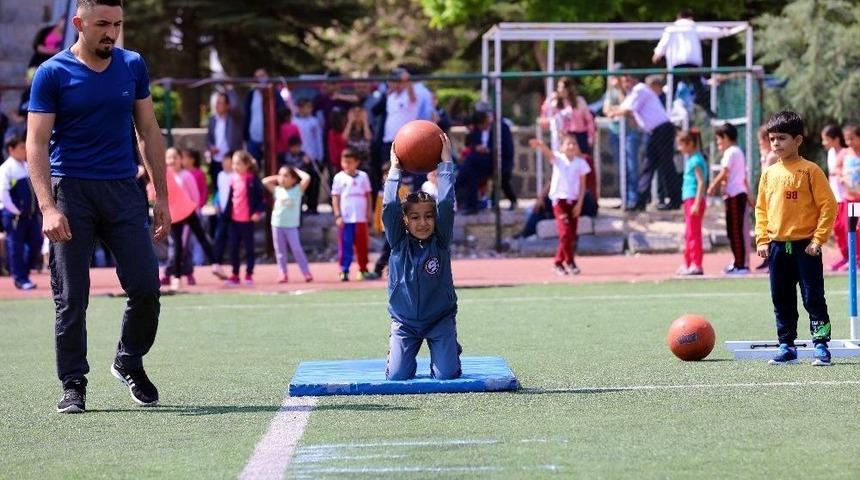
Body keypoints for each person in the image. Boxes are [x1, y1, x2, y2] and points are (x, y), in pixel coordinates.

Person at [27, 0, 171, 414]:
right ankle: (73, 382)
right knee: (72, 296)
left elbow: (148, 130)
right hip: (71, 192)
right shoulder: (52, 72)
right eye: (103, 24)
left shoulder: (133, 65)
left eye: (117, 24)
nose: (111, 32)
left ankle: (129, 360)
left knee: (146, 287)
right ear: (79, 23)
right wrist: (48, 207)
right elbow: (36, 143)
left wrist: (161, 195)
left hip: (124, 191)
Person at [755, 111, 837, 366]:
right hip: (777, 248)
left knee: (813, 297)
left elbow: (828, 206)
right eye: (772, 139)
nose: (776, 143)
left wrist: (818, 240)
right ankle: (787, 346)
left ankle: (821, 345)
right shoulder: (769, 174)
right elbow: (761, 209)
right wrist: (762, 239)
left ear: (798, 140)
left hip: (806, 248)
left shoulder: (810, 171)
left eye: (782, 138)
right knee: (781, 298)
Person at [383, 134, 461, 380]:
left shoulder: (440, 240)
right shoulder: (398, 242)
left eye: (428, 216)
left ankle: (449, 347)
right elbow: (389, 207)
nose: (423, 223)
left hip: (439, 319)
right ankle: (397, 351)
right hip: (405, 322)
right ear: (405, 221)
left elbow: (446, 203)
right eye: (415, 218)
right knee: (397, 376)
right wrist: (395, 170)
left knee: (446, 375)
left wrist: (446, 164)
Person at [608, 74, 680, 211]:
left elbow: (626, 110)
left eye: (628, 81)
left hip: (662, 130)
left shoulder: (640, 89)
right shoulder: (632, 94)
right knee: (648, 166)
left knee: (667, 166)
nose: (626, 84)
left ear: (635, 80)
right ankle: (640, 202)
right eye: (624, 82)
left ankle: (675, 200)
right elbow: (624, 107)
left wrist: (614, 112)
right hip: (654, 132)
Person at [529, 136, 591, 276]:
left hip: (573, 201)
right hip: (560, 201)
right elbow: (549, 154)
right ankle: (564, 262)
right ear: (562, 147)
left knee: (571, 235)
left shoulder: (581, 163)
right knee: (565, 233)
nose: (571, 146)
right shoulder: (559, 159)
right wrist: (541, 145)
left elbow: (582, 185)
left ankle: (564, 262)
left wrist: (580, 203)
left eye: (574, 143)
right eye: (568, 144)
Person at [159, 148, 217, 290]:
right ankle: (174, 274)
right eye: (169, 157)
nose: (172, 160)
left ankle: (202, 268)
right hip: (174, 217)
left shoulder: (186, 176)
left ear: (181, 159)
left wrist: (194, 213)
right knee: (177, 246)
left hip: (189, 215)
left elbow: (195, 197)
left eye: (175, 157)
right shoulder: (166, 176)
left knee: (190, 244)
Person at [707, 123, 752, 274]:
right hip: (735, 195)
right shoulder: (737, 152)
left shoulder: (730, 152)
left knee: (735, 231)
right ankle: (737, 262)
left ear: (725, 137)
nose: (718, 143)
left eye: (719, 139)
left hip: (735, 195)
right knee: (733, 231)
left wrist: (713, 185)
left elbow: (725, 171)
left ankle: (740, 265)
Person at [652, 8, 713, 114]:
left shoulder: (671, 28)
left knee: (672, 89)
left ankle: (664, 110)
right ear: (691, 17)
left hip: (677, 63)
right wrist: (725, 31)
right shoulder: (693, 26)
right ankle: (709, 111)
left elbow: (664, 42)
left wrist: (657, 53)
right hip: (692, 62)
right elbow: (710, 31)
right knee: (698, 87)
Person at [0, 133, 42, 290]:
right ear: (11, 149)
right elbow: (3, 194)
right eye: (22, 147)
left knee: (37, 243)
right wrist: (16, 211)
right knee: (16, 247)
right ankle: (20, 278)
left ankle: (24, 273)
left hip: (31, 215)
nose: (25, 150)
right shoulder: (6, 169)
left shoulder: (26, 165)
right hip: (14, 216)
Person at [331, 148, 377, 281]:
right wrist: (337, 215)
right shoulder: (339, 177)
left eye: (349, 162)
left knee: (362, 245)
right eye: (344, 162)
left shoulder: (363, 176)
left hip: (360, 217)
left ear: (357, 162)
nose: (346, 165)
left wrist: (369, 211)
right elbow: (335, 197)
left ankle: (363, 269)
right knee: (345, 244)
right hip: (346, 218)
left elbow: (368, 195)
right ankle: (344, 270)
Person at [262, 166, 313, 283]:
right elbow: (265, 181)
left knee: (296, 249)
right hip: (277, 224)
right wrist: (278, 177)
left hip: (291, 226)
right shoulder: (277, 190)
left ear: (293, 179)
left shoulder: (298, 190)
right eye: (281, 175)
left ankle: (306, 272)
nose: (282, 178)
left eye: (286, 176)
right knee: (280, 251)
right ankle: (283, 273)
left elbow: (307, 178)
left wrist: (296, 171)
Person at [603, 66, 643, 211]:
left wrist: (620, 90)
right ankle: (624, 199)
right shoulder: (610, 92)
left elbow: (627, 108)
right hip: (615, 132)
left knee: (632, 166)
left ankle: (633, 200)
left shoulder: (630, 91)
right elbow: (607, 110)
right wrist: (618, 111)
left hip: (630, 133)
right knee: (620, 167)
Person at [224, 150, 265, 286]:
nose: (235, 167)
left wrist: (257, 212)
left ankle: (249, 274)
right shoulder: (233, 179)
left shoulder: (252, 179)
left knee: (249, 249)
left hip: (247, 221)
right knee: (233, 248)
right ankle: (235, 274)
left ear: (247, 165)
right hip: (234, 221)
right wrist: (226, 216)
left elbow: (262, 199)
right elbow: (230, 199)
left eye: (238, 164)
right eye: (234, 164)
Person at [676, 129, 707, 276]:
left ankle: (696, 264)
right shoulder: (693, 159)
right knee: (688, 233)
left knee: (694, 233)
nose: (679, 148)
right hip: (689, 199)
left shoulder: (695, 160)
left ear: (690, 144)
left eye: (681, 145)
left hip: (694, 199)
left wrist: (696, 203)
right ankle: (687, 263)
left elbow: (701, 182)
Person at [243, 68, 287, 164]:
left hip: (271, 139)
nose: (260, 80)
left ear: (267, 77)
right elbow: (245, 115)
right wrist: (245, 136)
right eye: (257, 77)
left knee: (272, 165)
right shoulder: (250, 95)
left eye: (262, 76)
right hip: (253, 139)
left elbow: (283, 112)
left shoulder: (274, 94)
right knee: (253, 166)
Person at [822, 124, 848, 271]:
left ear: (836, 139)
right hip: (835, 197)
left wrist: (842, 175)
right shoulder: (831, 153)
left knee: (847, 227)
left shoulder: (846, 152)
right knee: (837, 228)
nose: (823, 143)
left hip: (846, 197)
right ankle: (845, 257)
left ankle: (854, 258)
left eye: (826, 139)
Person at [754, 126, 780, 271]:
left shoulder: (771, 156)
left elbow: (765, 174)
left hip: (774, 196)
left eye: (760, 142)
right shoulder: (768, 155)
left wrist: (764, 156)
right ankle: (768, 258)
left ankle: (772, 259)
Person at [293, 99, 324, 213]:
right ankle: (299, 207)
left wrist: (320, 156)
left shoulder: (314, 122)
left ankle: (312, 207)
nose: (308, 110)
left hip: (313, 156)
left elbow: (318, 139)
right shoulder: (294, 121)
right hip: (299, 157)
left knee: (314, 182)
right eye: (306, 107)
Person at [206, 92, 243, 186]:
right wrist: (211, 147)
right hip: (216, 159)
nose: (217, 105)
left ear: (227, 105)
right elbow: (208, 137)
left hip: (231, 159)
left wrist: (230, 90)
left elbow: (236, 106)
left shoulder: (234, 118)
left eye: (221, 103)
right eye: (217, 103)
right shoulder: (212, 120)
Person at [210, 152, 234, 279]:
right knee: (219, 237)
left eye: (228, 162)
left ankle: (234, 268)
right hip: (222, 213)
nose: (225, 164)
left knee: (233, 240)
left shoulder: (235, 176)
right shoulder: (220, 175)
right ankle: (217, 263)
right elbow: (219, 191)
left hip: (234, 214)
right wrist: (216, 202)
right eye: (224, 162)